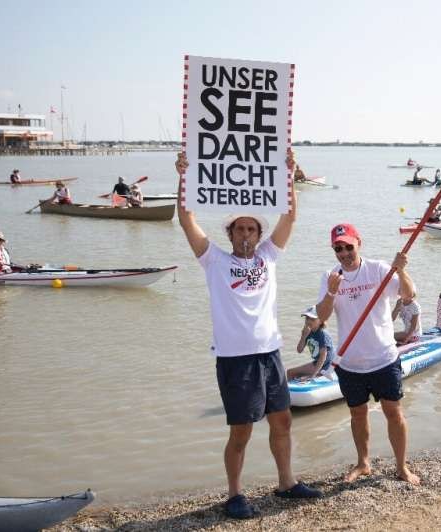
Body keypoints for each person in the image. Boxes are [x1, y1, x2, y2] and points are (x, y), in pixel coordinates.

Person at [174, 151, 321, 520]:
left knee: (282, 421)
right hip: (235, 359)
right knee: (241, 432)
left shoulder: (269, 256)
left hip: (270, 354)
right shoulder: (214, 261)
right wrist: (184, 176)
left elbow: (290, 216)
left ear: (258, 235)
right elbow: (186, 218)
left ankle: (286, 483)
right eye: (239, 229)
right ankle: (234, 494)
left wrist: (289, 174)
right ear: (230, 233)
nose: (245, 234)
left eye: (251, 229)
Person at [315, 223, 420, 485]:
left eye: (348, 246)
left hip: (384, 358)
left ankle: (401, 466)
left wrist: (402, 270)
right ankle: (363, 463)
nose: (344, 253)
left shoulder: (379, 269)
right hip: (349, 362)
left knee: (393, 413)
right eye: (338, 248)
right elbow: (321, 317)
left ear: (358, 243)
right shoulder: (330, 276)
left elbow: (409, 295)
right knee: (357, 414)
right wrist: (331, 291)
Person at [286, 306, 335, 381]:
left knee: (291, 373)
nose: (308, 321)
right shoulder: (308, 332)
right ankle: (292, 390)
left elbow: (323, 358)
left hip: (326, 365)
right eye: (307, 318)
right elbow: (299, 350)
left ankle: (293, 390)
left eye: (312, 319)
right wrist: (303, 336)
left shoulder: (323, 335)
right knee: (290, 372)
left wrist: (313, 375)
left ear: (321, 321)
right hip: (317, 363)